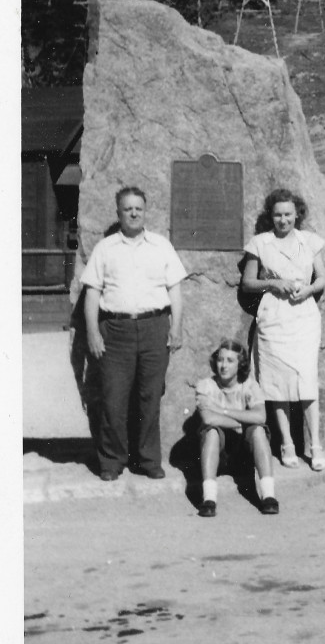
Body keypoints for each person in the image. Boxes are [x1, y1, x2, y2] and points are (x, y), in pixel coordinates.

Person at [82, 186, 186, 481]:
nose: (133, 213)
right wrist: (92, 332)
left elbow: (175, 290)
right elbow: (92, 292)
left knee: (149, 398)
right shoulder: (105, 249)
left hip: (154, 328)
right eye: (127, 209)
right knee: (114, 399)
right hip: (115, 330)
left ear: (145, 210)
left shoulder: (161, 246)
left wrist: (176, 327)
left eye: (138, 208)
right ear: (118, 213)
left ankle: (148, 459)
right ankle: (112, 461)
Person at [241, 187, 325, 471]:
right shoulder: (260, 243)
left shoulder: (309, 241)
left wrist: (308, 291)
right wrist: (273, 284)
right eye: (278, 215)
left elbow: (322, 277)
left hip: (303, 315)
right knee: (276, 382)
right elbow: (248, 283)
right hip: (274, 315)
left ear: (297, 214)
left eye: (288, 214)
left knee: (306, 378)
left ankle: (315, 444)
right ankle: (287, 442)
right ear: (271, 216)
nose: (283, 220)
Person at [194, 338, 277, 517]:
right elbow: (208, 418)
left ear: (240, 364)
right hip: (220, 453)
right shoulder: (206, 386)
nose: (223, 366)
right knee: (211, 433)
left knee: (258, 430)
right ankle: (209, 499)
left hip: (245, 453)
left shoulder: (249, 385)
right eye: (220, 360)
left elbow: (261, 416)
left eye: (230, 361)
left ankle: (268, 496)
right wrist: (242, 421)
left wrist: (222, 410)